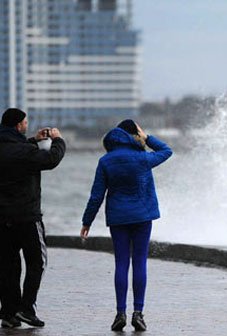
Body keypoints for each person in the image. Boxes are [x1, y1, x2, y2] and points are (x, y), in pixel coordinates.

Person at [80, 120, 172, 332]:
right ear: (133, 135)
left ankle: (120, 313)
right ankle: (138, 314)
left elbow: (96, 196)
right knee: (139, 263)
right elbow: (167, 151)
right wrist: (147, 137)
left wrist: (87, 221)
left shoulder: (106, 161)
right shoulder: (143, 158)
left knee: (121, 263)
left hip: (118, 218)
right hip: (142, 217)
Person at [0, 108, 66, 329]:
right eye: (25, 123)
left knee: (8, 266)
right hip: (27, 217)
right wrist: (58, 141)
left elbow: (14, 150)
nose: (27, 125)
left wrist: (33, 140)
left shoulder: (14, 147)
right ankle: (27, 308)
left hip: (2, 219)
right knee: (37, 262)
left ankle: (9, 312)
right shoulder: (25, 152)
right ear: (18, 125)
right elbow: (50, 159)